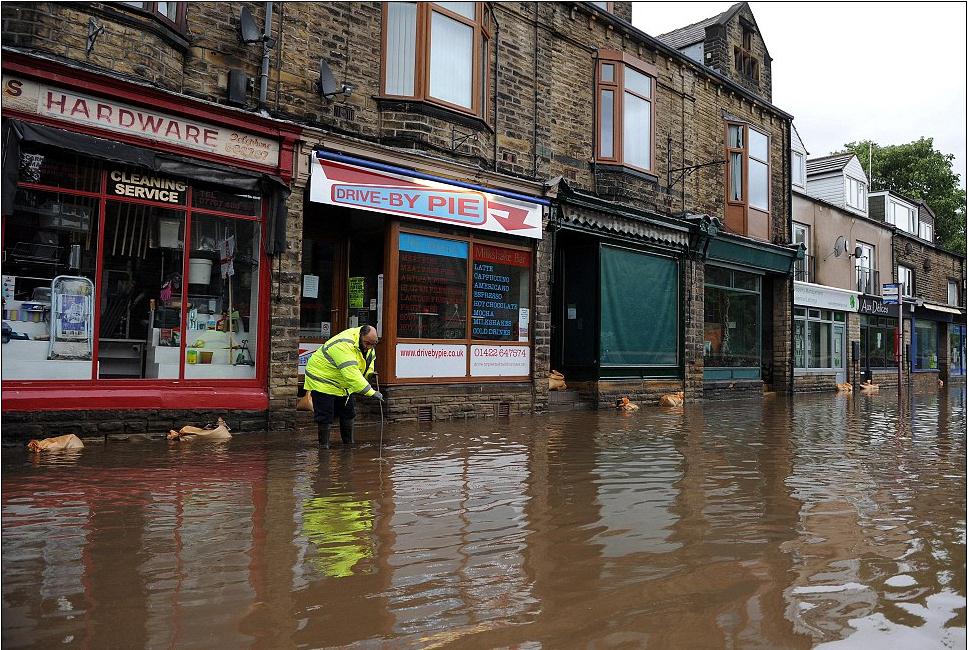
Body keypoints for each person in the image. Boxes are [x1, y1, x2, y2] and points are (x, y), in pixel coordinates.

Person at [302, 324, 383, 448]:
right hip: (322, 379)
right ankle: (324, 447)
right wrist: (371, 392)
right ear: (361, 336)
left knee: (348, 412)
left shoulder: (368, 345)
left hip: (342, 384)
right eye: (367, 344)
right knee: (325, 415)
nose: (369, 348)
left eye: (373, 344)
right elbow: (352, 374)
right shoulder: (343, 345)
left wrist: (369, 375)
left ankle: (349, 444)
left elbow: (367, 364)